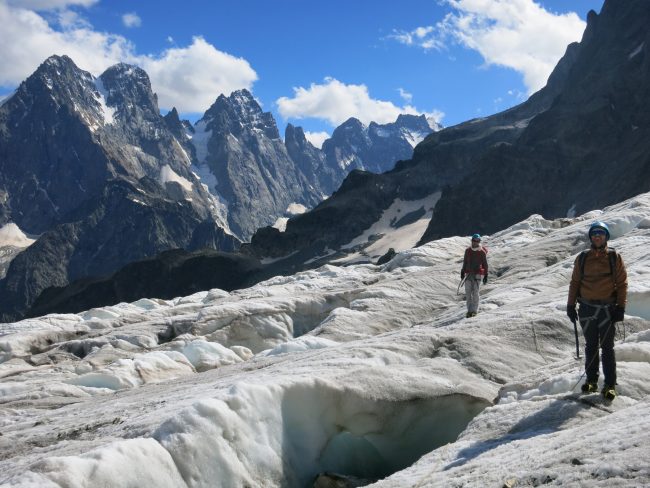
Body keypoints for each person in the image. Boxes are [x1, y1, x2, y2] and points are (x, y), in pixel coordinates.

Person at [567, 221, 627, 400]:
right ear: (591, 237)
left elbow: (622, 284)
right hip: (586, 308)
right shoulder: (583, 258)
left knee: (607, 348)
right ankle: (592, 381)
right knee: (591, 347)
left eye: (600, 233)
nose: (597, 236)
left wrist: (621, 307)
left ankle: (609, 385)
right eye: (594, 234)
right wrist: (570, 305)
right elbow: (575, 283)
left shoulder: (614, 257)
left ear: (606, 236)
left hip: (607, 309)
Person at [461, 233, 488, 318]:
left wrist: (486, 275)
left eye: (478, 241)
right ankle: (469, 311)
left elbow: (485, 264)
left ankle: (474, 311)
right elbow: (465, 262)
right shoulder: (467, 251)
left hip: (477, 275)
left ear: (479, 241)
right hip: (468, 274)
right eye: (475, 241)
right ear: (472, 241)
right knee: (468, 293)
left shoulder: (482, 252)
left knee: (475, 293)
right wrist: (462, 271)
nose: (476, 242)